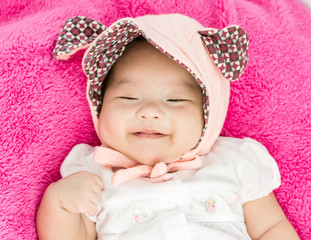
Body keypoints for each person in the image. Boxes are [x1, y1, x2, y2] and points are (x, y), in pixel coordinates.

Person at [36, 14, 300, 240]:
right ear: (100, 104)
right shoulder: (92, 174)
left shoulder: (235, 161)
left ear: (208, 112)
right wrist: (59, 203)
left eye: (174, 100)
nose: (150, 112)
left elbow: (271, 228)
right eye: (129, 98)